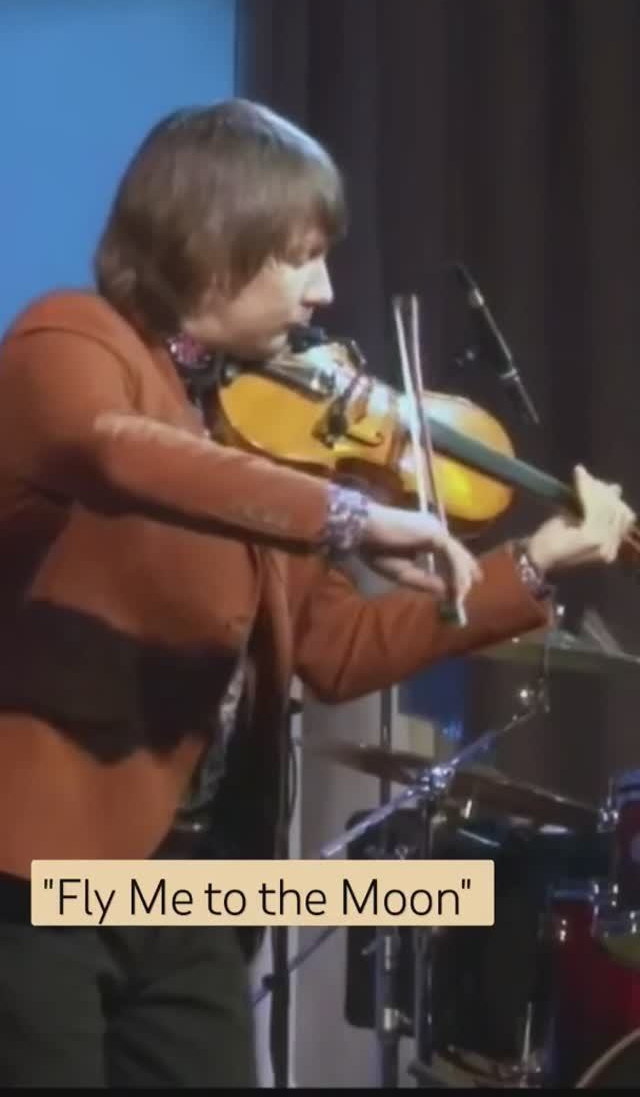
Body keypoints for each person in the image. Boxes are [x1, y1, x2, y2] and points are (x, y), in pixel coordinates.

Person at [0, 98, 632, 1088]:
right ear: (214, 244)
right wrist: (348, 514)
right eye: (300, 257)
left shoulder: (260, 429)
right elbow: (114, 450)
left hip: (189, 882)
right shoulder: (70, 339)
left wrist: (534, 565)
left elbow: (334, 647)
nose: (325, 291)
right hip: (37, 875)